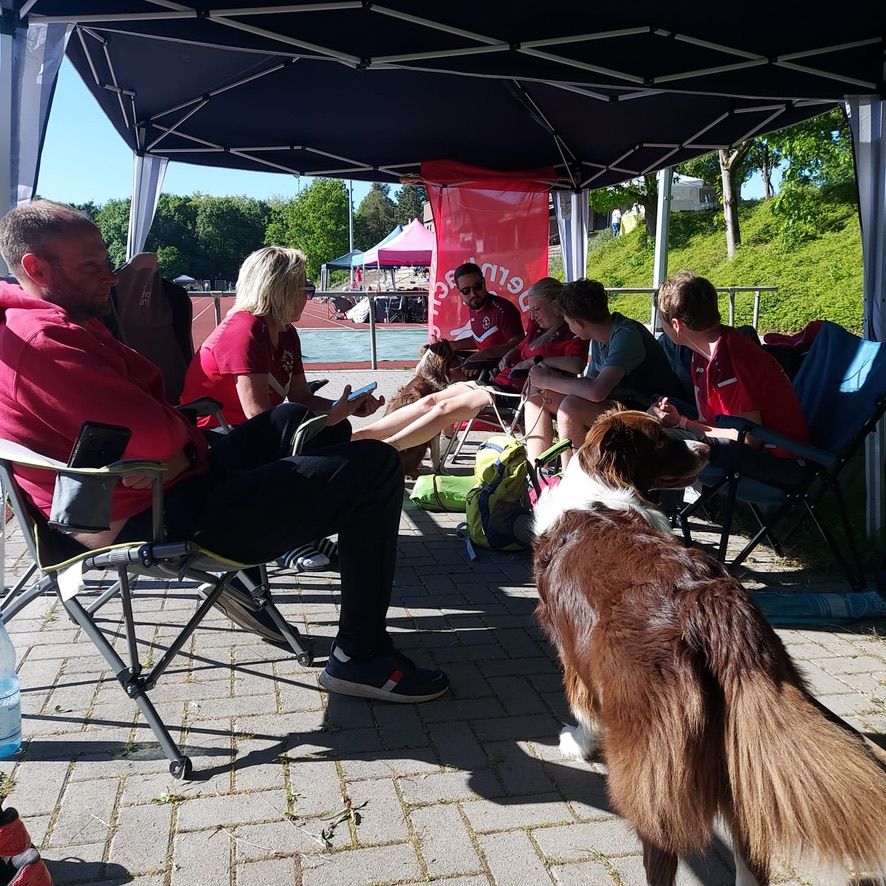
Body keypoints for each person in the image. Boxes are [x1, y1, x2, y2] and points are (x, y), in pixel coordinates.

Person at [0, 200, 448, 704]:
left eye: (106, 260)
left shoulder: (47, 326)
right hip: (151, 513)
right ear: (36, 269)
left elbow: (169, 427)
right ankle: (359, 656)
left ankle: (279, 545)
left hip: (159, 484)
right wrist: (182, 450)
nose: (110, 276)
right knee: (377, 466)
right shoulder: (42, 341)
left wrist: (180, 449)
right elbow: (154, 435)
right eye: (91, 266)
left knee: (290, 420)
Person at [179, 246, 385, 571]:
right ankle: (283, 536)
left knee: (337, 430)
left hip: (250, 431)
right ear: (279, 289)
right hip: (215, 436)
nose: (309, 296)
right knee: (315, 431)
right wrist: (326, 418)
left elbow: (301, 397)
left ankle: (305, 529)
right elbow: (259, 416)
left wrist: (344, 408)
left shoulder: (286, 334)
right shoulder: (244, 331)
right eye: (305, 288)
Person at [649, 271, 810, 483]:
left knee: (658, 444)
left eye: (662, 322)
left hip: (778, 460)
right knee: (656, 425)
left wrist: (682, 425)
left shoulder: (732, 363)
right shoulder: (703, 355)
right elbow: (709, 421)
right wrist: (679, 421)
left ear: (677, 325)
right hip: (748, 445)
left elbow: (749, 439)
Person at [528, 278, 684, 464]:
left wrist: (548, 380)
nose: (568, 326)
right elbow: (590, 383)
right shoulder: (600, 335)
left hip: (651, 411)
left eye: (567, 322)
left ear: (579, 323)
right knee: (539, 394)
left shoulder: (627, 335)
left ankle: (574, 474)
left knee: (571, 407)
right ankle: (535, 467)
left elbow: (597, 391)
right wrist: (547, 382)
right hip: (626, 405)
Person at [493, 278, 589, 461]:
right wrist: (513, 352)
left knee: (452, 401)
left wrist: (535, 361)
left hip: (522, 388)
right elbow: (525, 343)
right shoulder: (538, 325)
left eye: (536, 309)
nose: (533, 315)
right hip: (511, 383)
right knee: (451, 395)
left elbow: (577, 364)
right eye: (531, 310)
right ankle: (537, 467)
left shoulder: (574, 328)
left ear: (556, 305)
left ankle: (538, 466)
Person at [449, 262, 524, 362]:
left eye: (477, 286)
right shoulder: (474, 306)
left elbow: (519, 343)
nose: (473, 294)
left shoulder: (503, 309)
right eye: (466, 291)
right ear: (460, 293)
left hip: (503, 366)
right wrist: (454, 345)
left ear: (484, 282)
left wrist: (485, 354)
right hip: (484, 364)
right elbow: (482, 339)